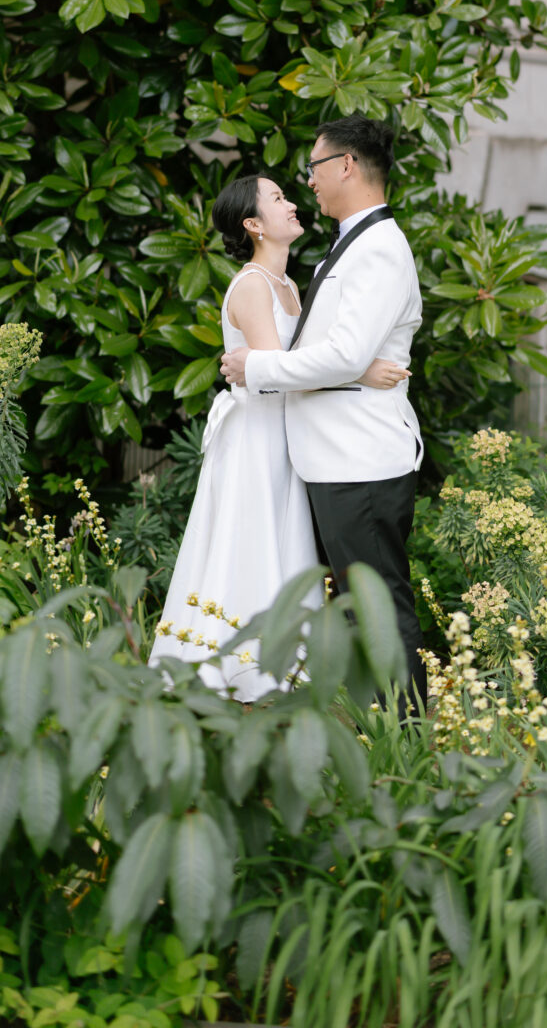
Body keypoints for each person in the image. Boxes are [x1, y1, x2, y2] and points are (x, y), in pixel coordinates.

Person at [149, 172, 408, 701]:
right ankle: (239, 665)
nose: (292, 204)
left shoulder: (291, 285)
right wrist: (362, 371)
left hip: (288, 433)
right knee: (250, 542)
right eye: (277, 199)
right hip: (256, 436)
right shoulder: (250, 286)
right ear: (253, 224)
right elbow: (276, 371)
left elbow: (290, 364)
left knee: (284, 541)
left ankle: (286, 659)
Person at [220, 115, 427, 712]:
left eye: (312, 168)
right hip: (336, 458)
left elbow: (342, 353)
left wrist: (253, 368)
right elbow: (342, 354)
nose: (307, 181)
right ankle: (379, 728)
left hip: (359, 459)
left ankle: (406, 738)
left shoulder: (379, 249)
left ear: (346, 166)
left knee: (379, 606)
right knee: (361, 607)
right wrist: (357, 366)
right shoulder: (353, 243)